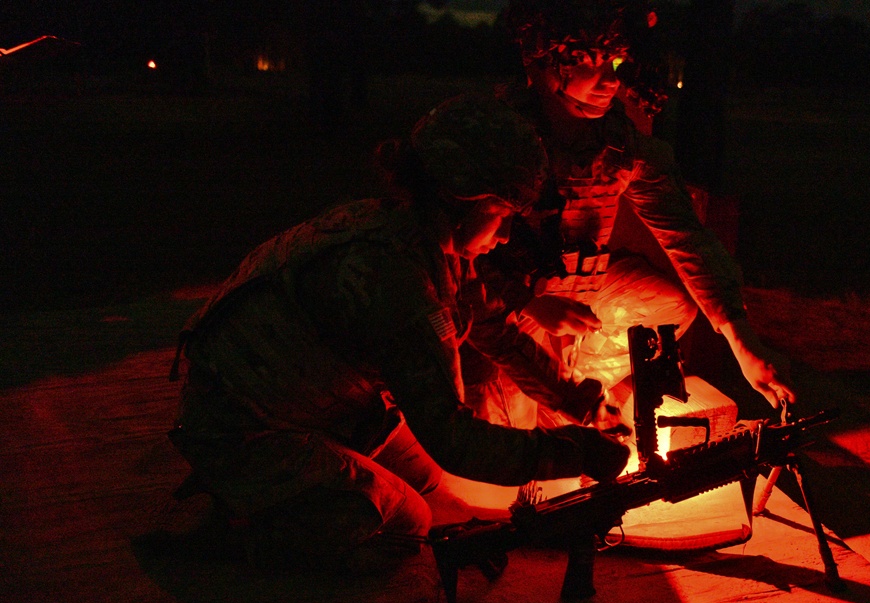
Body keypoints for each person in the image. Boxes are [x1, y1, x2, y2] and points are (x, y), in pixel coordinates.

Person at [166, 95, 629, 572]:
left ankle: (284, 487)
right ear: (465, 200)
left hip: (311, 403)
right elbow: (454, 439)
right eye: (504, 214)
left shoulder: (422, 237)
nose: (508, 234)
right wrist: (574, 453)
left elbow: (492, 329)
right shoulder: (396, 279)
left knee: (433, 486)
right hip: (245, 426)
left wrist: (579, 401)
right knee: (406, 525)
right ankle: (236, 535)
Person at [464, 0, 795, 431]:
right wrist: (530, 303)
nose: (610, 81)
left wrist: (741, 339)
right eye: (587, 62)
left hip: (582, 297)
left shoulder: (620, 146)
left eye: (615, 61)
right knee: (510, 436)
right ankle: (559, 401)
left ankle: (581, 393)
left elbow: (688, 239)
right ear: (546, 64)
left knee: (668, 306)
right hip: (504, 312)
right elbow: (462, 265)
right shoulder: (500, 139)